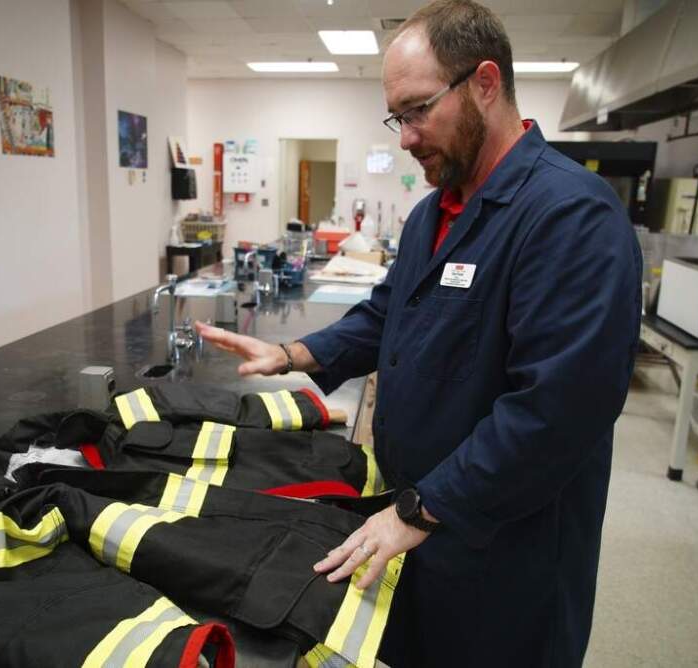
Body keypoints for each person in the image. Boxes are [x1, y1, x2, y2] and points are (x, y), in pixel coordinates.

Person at [196, 1, 641, 664]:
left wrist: (416, 512)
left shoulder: (570, 215)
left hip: (502, 552)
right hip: (420, 529)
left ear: (485, 83)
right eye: (396, 117)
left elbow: (558, 410)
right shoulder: (435, 208)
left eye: (417, 110)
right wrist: (291, 352)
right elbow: (388, 314)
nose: (404, 137)